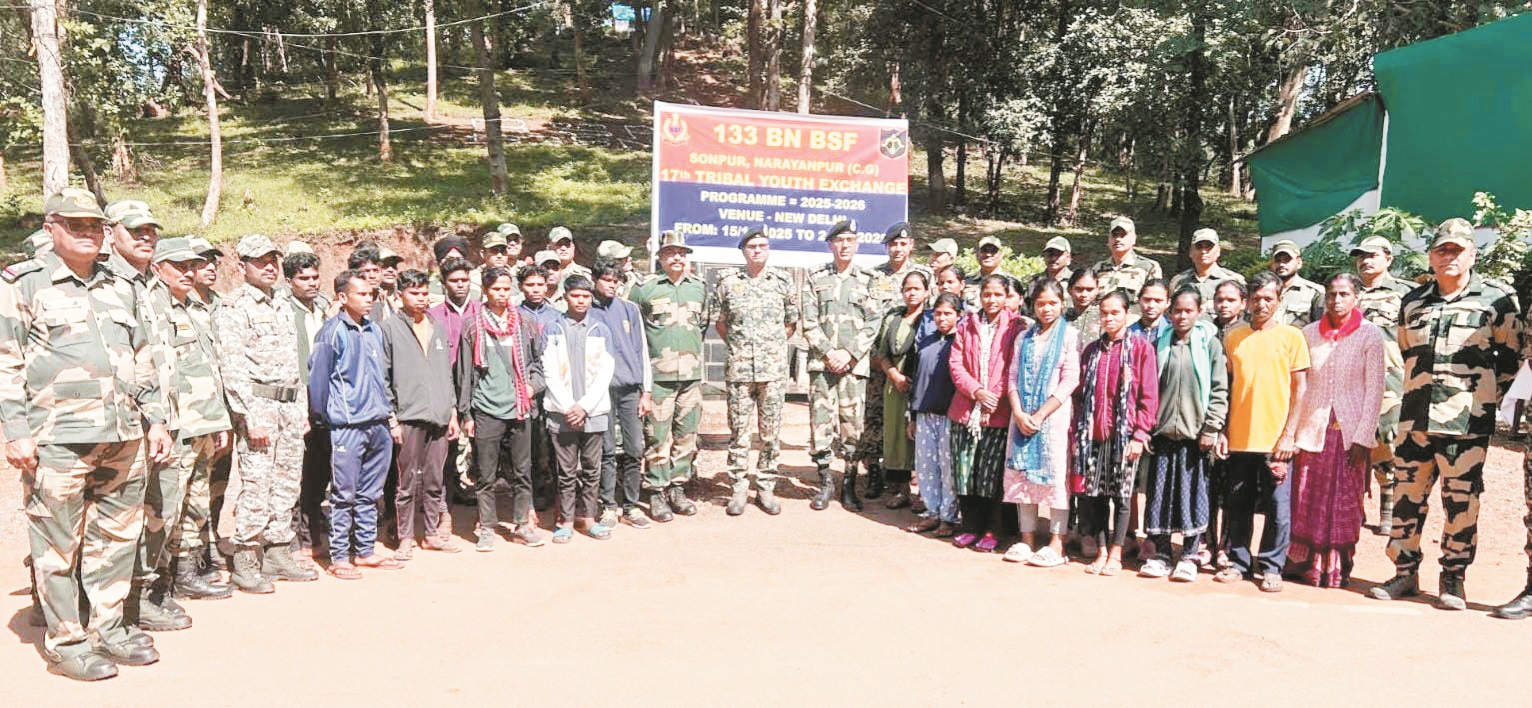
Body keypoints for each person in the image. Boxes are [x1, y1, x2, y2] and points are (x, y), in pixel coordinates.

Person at [0, 189, 174, 680]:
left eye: (95, 225)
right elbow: (5, 363)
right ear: (51, 227)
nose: (87, 233)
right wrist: (16, 432)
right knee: (57, 545)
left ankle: (108, 628)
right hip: (57, 439)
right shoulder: (23, 285)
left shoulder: (119, 286)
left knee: (117, 538)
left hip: (123, 436)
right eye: (74, 225)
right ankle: (66, 642)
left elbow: (143, 356)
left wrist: (155, 418)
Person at [1371, 218, 1521, 610]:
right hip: (1415, 420)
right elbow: (1407, 352)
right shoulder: (1414, 301)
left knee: (1461, 503)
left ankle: (1453, 579)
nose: (1449, 256)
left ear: (1472, 254)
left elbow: (1510, 360)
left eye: (1457, 250)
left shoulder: (1497, 301)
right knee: (1407, 498)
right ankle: (1404, 573)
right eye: (1442, 250)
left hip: (1467, 423)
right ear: (1431, 256)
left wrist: (1484, 398)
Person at [138, 240, 238, 632]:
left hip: (203, 423)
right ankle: (152, 588)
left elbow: (209, 369)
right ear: (160, 267)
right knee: (166, 510)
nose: (187, 271)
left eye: (192, 265)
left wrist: (220, 420)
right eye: (177, 265)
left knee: (195, 505)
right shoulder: (153, 306)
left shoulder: (195, 307)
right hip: (175, 427)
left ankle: (185, 574)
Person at [214, 235, 312, 594]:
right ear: (241, 267)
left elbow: (293, 362)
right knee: (257, 484)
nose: (269, 266)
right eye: (260, 261)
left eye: (273, 259)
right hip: (259, 406)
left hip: (288, 404)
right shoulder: (235, 306)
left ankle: (278, 551)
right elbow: (233, 364)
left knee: (288, 481)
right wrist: (248, 414)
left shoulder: (281, 303)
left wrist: (300, 407)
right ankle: (246, 558)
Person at [1285, 273, 1384, 588]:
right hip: (1311, 429)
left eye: (1343, 294)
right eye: (1331, 294)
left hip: (1349, 433)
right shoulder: (1308, 333)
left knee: (1343, 501)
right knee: (1305, 496)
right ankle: (1302, 563)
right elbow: (1298, 384)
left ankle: (1335, 568)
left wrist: (1364, 437)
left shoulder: (1370, 336)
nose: (1337, 300)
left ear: (1356, 297)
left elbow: (1375, 389)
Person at [1219, 271, 1310, 593]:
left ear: (1278, 301)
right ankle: (1239, 561)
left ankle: (1272, 566)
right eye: (1256, 298)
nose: (1261, 304)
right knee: (1238, 504)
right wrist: (1223, 430)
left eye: (1268, 298)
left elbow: (1300, 389)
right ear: (1247, 302)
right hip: (1240, 437)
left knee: (1277, 508)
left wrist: (1289, 435)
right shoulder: (1233, 337)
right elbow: (1226, 388)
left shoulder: (1292, 337)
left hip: (1276, 442)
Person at [308, 271, 401, 579]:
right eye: (361, 294)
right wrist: (322, 418)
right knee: (343, 493)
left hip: (378, 423)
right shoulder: (332, 333)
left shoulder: (374, 331)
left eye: (371, 294)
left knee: (369, 492)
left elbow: (383, 378)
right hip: (347, 425)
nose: (369, 299)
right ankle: (338, 556)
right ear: (343, 298)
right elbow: (318, 381)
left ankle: (364, 551)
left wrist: (389, 417)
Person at [1140, 287, 1228, 583]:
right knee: (1161, 496)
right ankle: (1162, 554)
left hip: (1196, 435)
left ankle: (1189, 555)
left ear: (1199, 311)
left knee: (1193, 496)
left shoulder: (1209, 345)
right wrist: (1147, 426)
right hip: (1163, 434)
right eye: (1176, 310)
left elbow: (1219, 389)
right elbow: (1150, 387)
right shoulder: (1160, 342)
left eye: (1188, 310)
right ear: (1169, 312)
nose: (1181, 316)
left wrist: (1212, 428)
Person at [708, 227, 798, 515]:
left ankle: (766, 486)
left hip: (772, 372)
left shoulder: (782, 281)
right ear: (743, 252)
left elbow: (791, 323)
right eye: (752, 247)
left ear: (768, 249)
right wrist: (741, 347)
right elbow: (720, 323)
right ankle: (737, 487)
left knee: (770, 433)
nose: (757, 250)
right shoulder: (727, 283)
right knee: (739, 432)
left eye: (762, 245)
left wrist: (769, 348)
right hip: (740, 371)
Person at [1072, 290, 1159, 576]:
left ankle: (1117, 552)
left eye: (1115, 313)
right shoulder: (1092, 351)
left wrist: (1140, 434)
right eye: (1105, 313)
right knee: (1095, 495)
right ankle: (1100, 550)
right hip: (1094, 435)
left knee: (1122, 497)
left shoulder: (1141, 348)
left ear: (1127, 314)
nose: (1109, 318)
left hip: (1125, 437)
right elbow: (1081, 394)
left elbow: (1149, 395)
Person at [458, 267, 546, 551]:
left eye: (506, 289)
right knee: (486, 473)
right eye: (496, 289)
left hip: (520, 408)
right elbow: (465, 374)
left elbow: (539, 364)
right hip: (486, 408)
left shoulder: (526, 322)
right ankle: (486, 526)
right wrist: (466, 414)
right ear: (485, 291)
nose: (502, 294)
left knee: (523, 471)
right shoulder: (473, 326)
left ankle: (521, 524)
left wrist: (533, 386)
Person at [380, 270, 462, 558]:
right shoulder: (390, 328)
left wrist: (452, 412)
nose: (421, 298)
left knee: (434, 479)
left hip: (439, 415)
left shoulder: (436, 326)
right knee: (406, 482)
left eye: (425, 292)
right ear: (400, 295)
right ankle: (404, 537)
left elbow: (446, 374)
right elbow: (384, 378)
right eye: (415, 293)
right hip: (408, 416)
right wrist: (392, 419)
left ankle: (430, 534)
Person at [1000, 277, 1079, 567]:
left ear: (1062, 304)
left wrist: (1041, 414)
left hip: (1053, 420)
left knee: (1056, 478)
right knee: (1022, 478)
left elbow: (1071, 378)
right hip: (1021, 418)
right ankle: (1027, 539)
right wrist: (1019, 413)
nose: (1047, 309)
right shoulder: (1024, 338)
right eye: (1041, 303)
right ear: (1032, 306)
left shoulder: (1070, 335)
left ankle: (1057, 544)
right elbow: (1011, 378)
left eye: (1053, 303)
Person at [801, 220, 880, 511]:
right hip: (822, 366)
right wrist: (827, 352)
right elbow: (808, 320)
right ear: (830, 244)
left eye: (849, 239)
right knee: (820, 423)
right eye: (839, 240)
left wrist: (848, 353)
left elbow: (874, 321)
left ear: (857, 243)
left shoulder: (870, 279)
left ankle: (848, 483)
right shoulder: (814, 276)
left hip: (853, 365)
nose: (844, 245)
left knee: (852, 425)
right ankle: (824, 483)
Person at [629, 231, 707, 521]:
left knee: (686, 435)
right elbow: (633, 331)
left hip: (690, 377)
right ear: (659, 256)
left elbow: (704, 324)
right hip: (658, 378)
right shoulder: (644, 289)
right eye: (670, 252)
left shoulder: (699, 288)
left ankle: (678, 487)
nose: (677, 257)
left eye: (681, 253)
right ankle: (657, 490)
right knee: (657, 436)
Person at [948, 275, 1023, 553]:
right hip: (966, 409)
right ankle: (970, 527)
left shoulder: (1017, 327)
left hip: (998, 413)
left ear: (1006, 297)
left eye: (997, 295)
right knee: (965, 472)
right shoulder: (967, 324)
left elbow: (1015, 366)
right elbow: (955, 364)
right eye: (987, 295)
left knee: (991, 475)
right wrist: (977, 391)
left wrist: (994, 394)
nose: (991, 300)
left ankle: (993, 529)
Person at [542, 276, 616, 542]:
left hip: (593, 412)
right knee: (566, 470)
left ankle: (589, 519)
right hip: (561, 412)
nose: (581, 301)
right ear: (565, 297)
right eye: (575, 296)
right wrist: (568, 406)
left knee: (592, 468)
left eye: (585, 296)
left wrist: (584, 406)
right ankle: (566, 520)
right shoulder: (552, 328)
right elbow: (548, 370)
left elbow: (605, 372)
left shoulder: (600, 329)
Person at [863, 222, 931, 504]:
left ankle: (911, 479)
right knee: (876, 419)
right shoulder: (874, 275)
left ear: (911, 245)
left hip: (912, 361)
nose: (898, 248)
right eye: (893, 244)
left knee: (910, 423)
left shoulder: (925, 275)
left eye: (903, 244)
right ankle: (876, 472)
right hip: (880, 357)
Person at [1350, 235, 1412, 536]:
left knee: (1387, 440)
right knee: (1349, 441)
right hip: (1350, 381)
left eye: (1372, 255)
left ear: (1389, 258)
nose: (1365, 260)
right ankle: (1352, 507)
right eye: (1361, 255)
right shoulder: (1347, 292)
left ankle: (1388, 508)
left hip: (1389, 379)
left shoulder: (1406, 294)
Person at [590, 258, 654, 527]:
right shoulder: (586, 309)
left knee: (633, 448)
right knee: (605, 451)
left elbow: (642, 351)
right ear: (596, 280)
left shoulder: (629, 309)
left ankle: (631, 505)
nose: (612, 285)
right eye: (607, 280)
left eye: (616, 281)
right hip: (601, 392)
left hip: (630, 389)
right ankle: (607, 505)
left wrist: (646, 391)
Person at [285, 250, 333, 557]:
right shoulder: (283, 311)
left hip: (326, 400)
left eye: (315, 277)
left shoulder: (325, 309)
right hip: (297, 400)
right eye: (304, 278)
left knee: (319, 471)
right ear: (289, 281)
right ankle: (295, 535)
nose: (311, 283)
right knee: (294, 472)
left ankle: (313, 531)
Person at [872, 271, 930, 511]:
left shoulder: (933, 318)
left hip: (924, 386)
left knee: (922, 439)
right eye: (908, 288)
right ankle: (902, 490)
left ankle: (924, 495)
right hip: (895, 385)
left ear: (927, 291)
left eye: (917, 288)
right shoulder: (893, 318)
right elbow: (882, 353)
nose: (912, 292)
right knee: (896, 437)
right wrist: (894, 375)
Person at [907, 293, 963, 536]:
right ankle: (931, 512)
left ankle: (948, 517)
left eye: (948, 313)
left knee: (947, 467)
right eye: (938, 313)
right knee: (926, 466)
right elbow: (917, 380)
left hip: (949, 415)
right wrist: (912, 415)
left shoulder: (961, 343)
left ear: (958, 316)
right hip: (925, 412)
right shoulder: (926, 342)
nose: (942, 318)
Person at [428, 257, 480, 510]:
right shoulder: (433, 315)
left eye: (464, 280)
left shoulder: (482, 311)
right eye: (454, 281)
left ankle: (479, 499)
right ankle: (442, 502)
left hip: (478, 387)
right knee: (445, 446)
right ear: (444, 283)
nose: (460, 285)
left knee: (480, 446)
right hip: (444, 386)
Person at [519, 265, 563, 509]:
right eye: (530, 285)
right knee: (533, 443)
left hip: (555, 387)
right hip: (529, 388)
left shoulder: (556, 316)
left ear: (547, 286)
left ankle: (558, 489)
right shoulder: (515, 315)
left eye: (539, 285)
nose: (535, 290)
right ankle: (535, 491)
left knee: (556, 439)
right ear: (521, 287)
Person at [1168, 229, 1245, 316]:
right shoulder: (1178, 282)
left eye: (1209, 246)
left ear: (1218, 251)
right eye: (1199, 246)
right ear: (1191, 252)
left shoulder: (1233, 280)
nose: (1203, 251)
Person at [1090, 216, 1163, 301]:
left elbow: (1154, 301)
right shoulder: (1098, 268)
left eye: (1123, 235)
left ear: (1133, 239)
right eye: (1114, 235)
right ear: (1108, 240)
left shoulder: (1149, 267)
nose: (1117, 239)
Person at [1268, 239, 1324, 327]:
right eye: (1278, 260)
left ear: (1299, 263)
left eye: (1287, 260)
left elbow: (1321, 326)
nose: (1282, 264)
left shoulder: (1314, 293)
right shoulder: (1263, 291)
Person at [963, 236, 1020, 309]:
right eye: (984, 250)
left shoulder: (1010, 282)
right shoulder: (967, 281)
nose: (988, 254)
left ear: (1000, 255)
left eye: (993, 251)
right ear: (977, 254)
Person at [547, 226, 594, 305]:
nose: (563, 248)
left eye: (567, 244)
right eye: (559, 244)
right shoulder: (541, 274)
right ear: (549, 247)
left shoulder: (585, 275)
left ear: (573, 247)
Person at [1065, 268, 1101, 344]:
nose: (1084, 295)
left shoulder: (1103, 317)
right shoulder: (1062, 318)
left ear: (1097, 290)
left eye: (1089, 289)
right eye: (1079, 289)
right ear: (1069, 289)